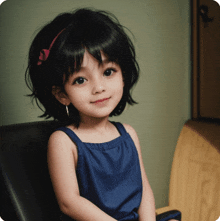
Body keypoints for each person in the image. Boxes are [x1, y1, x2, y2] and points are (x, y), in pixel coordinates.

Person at [25, 8, 178, 221]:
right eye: (80, 80)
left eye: (108, 72)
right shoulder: (63, 141)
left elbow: (144, 189)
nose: (99, 88)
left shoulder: (128, 133)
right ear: (62, 94)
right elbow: (69, 203)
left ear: (123, 75)